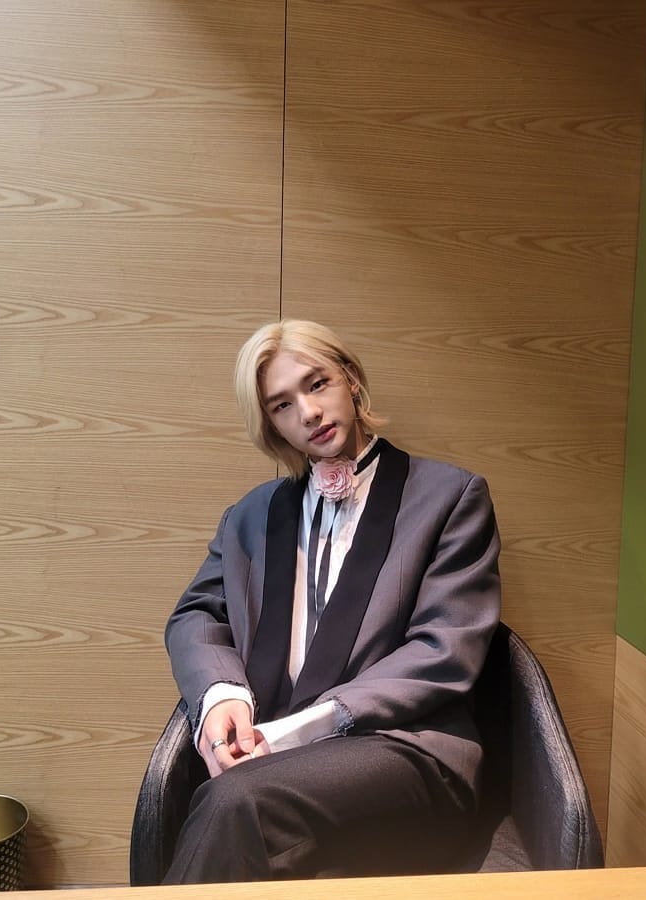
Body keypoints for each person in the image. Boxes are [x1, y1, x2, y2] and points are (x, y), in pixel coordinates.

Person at [163, 320, 501, 883]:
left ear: (351, 380)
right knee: (231, 808)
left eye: (317, 384)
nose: (309, 413)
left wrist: (290, 734)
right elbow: (197, 615)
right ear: (271, 424)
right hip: (272, 763)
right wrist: (222, 695)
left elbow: (445, 649)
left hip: (405, 750)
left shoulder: (450, 497)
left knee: (234, 802)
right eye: (282, 405)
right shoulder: (251, 515)